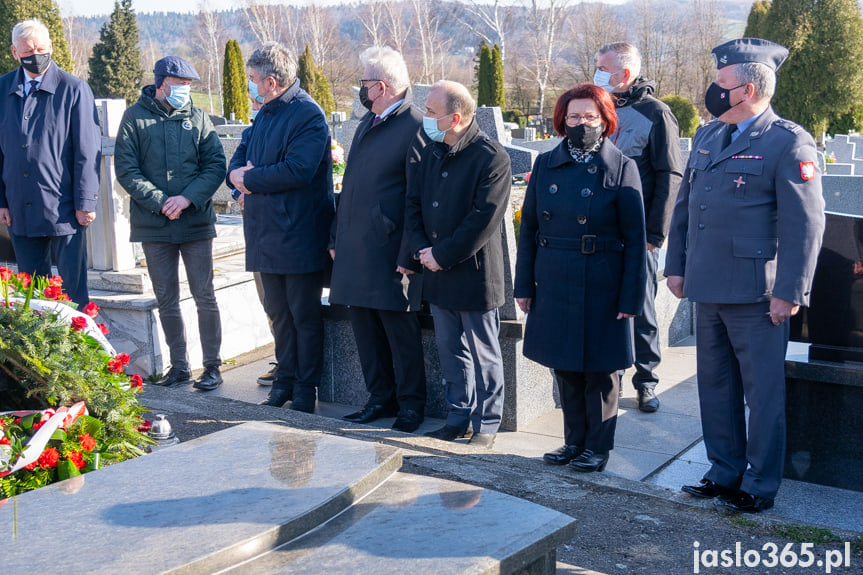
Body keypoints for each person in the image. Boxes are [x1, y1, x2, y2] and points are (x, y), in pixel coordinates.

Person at [666, 38, 825, 513]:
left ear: (749, 89)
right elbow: (685, 209)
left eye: (721, 84)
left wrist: (791, 291)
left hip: (758, 292)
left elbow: (806, 223)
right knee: (715, 386)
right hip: (707, 284)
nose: (712, 92)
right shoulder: (710, 135)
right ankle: (723, 470)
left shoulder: (788, 140)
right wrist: (676, 265)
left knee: (762, 392)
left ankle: (759, 482)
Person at [514, 84, 646, 473]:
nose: (581, 123)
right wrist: (524, 286)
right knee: (566, 365)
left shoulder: (622, 166)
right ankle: (573, 442)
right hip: (555, 276)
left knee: (600, 370)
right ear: (562, 120)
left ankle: (597, 447)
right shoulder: (547, 164)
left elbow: (636, 241)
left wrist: (630, 298)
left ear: (605, 120)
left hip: (602, 277)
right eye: (574, 117)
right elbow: (530, 228)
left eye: (590, 116)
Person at [400, 80, 510, 449]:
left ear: (456, 118)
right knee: (450, 350)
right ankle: (457, 416)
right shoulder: (432, 152)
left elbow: (483, 219)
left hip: (474, 276)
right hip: (436, 272)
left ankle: (487, 424)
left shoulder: (491, 156)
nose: (425, 118)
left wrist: (441, 255)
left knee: (484, 354)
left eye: (431, 112)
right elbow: (413, 204)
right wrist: (421, 250)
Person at [227, 42, 334, 413]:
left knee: (303, 316)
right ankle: (284, 380)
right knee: (278, 314)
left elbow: (298, 170)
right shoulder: (266, 113)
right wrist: (239, 175)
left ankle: (306, 389)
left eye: (254, 80)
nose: (251, 85)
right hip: (264, 233)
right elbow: (241, 155)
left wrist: (250, 178)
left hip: (298, 232)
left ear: (271, 81)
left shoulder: (307, 114)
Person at [329, 46, 428, 433]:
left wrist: (409, 253)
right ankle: (379, 397)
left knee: (399, 333)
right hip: (356, 248)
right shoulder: (368, 123)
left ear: (382, 86)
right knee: (366, 330)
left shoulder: (415, 126)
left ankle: (410, 406)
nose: (361, 89)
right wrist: (336, 234)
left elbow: (415, 198)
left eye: (364, 83)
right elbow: (351, 184)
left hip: (390, 251)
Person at [114, 56, 226, 391]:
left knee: (204, 294)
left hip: (195, 222)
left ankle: (212, 366)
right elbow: (126, 168)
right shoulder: (135, 118)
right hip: (154, 224)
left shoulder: (198, 117)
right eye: (180, 85)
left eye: (189, 86)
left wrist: (187, 198)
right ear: (162, 83)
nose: (185, 91)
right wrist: (160, 200)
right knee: (166, 298)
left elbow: (215, 164)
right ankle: (179, 366)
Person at [594, 42, 683, 413]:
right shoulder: (598, 108)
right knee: (603, 306)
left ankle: (646, 380)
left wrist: (654, 235)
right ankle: (606, 375)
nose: (596, 74)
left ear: (624, 74)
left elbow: (670, 175)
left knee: (641, 307)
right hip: (600, 232)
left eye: (602, 68)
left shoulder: (656, 114)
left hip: (638, 234)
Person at [0, 19, 100, 307]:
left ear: (52, 47)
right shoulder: (3, 89)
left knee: (72, 296)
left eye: (42, 48)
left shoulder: (74, 89)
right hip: (20, 208)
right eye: (28, 50)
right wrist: (1, 201)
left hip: (64, 208)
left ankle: (78, 350)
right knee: (31, 296)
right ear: (14, 52)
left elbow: (87, 149)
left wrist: (86, 202)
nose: (36, 55)